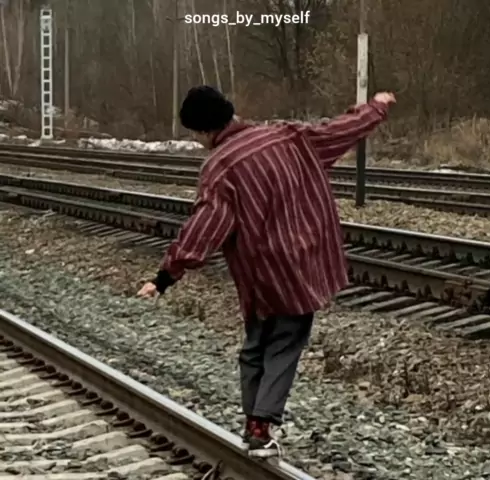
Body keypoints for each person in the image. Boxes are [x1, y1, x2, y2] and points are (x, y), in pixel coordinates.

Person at [137, 85, 396, 458]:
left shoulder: (220, 167)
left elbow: (203, 230)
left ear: (204, 130)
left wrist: (164, 278)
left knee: (258, 346)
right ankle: (260, 425)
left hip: (261, 278)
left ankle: (256, 424)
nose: (198, 141)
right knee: (284, 343)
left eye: (195, 134)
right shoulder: (288, 137)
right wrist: (376, 108)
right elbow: (340, 130)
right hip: (304, 268)